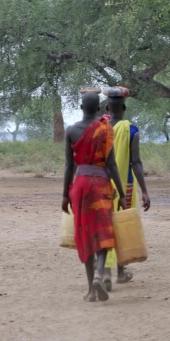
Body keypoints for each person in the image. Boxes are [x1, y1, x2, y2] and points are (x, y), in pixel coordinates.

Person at [62, 90, 127, 302]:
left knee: (85, 233)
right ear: (99, 108)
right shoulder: (105, 128)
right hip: (101, 185)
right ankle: (101, 273)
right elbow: (112, 164)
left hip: (80, 186)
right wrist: (123, 193)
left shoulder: (71, 130)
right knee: (103, 231)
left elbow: (68, 167)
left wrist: (65, 196)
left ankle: (91, 289)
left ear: (81, 108)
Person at [101, 86, 151, 291]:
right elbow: (136, 163)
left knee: (103, 226)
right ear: (124, 108)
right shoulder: (131, 130)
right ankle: (120, 272)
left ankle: (103, 271)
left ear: (106, 107)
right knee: (121, 225)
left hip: (101, 185)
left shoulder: (98, 128)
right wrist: (145, 191)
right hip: (125, 186)